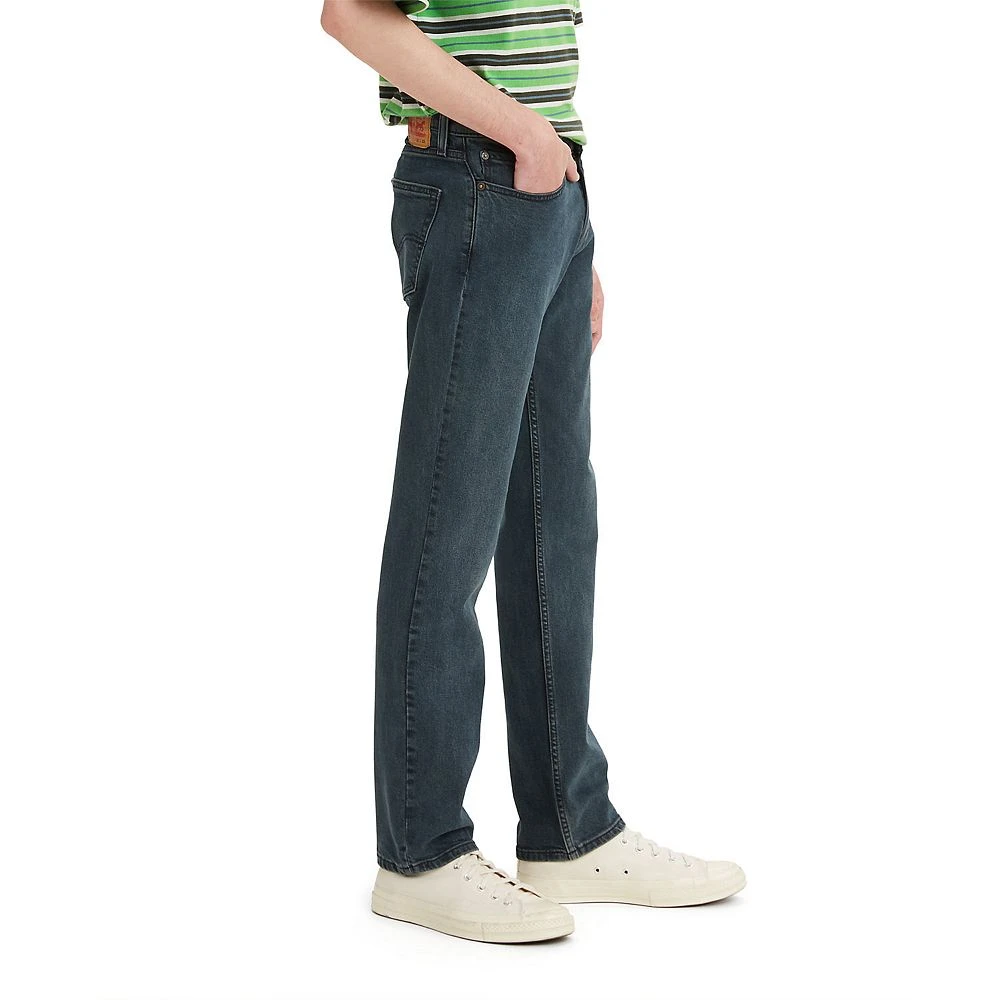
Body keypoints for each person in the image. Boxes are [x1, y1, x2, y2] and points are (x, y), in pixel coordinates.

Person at [320, 0, 745, 943]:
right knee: (449, 522)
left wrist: (566, 225)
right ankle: (421, 851)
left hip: (543, 190)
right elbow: (351, 13)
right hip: (479, 172)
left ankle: (568, 827)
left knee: (557, 526)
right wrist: (524, 140)